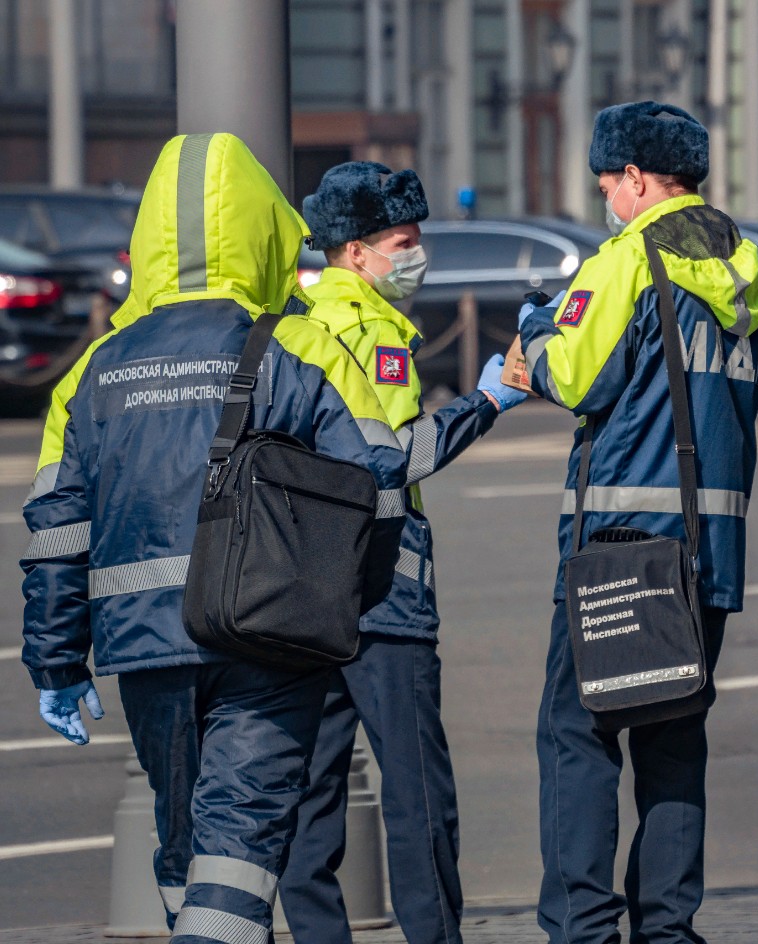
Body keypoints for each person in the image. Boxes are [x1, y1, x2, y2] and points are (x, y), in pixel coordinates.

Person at [18, 132, 408, 943]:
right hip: (270, 641)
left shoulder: (95, 366)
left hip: (146, 652)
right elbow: (381, 489)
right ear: (266, 234)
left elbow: (57, 529)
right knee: (238, 852)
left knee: (188, 850)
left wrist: (57, 660)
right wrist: (334, 606)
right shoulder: (299, 346)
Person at [516, 100, 758, 944]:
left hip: (622, 546)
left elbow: (577, 378)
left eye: (606, 183)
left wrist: (536, 324)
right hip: (710, 549)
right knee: (672, 739)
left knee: (577, 735)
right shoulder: (745, 265)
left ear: (635, 177)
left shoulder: (626, 260)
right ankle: (667, 929)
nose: (606, 200)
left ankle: (583, 928)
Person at [277, 161, 527, 944]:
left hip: (299, 597)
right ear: (354, 252)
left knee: (308, 799)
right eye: (403, 242)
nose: (415, 258)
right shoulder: (376, 330)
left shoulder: (285, 322)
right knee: (418, 796)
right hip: (384, 594)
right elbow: (400, 455)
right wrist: (487, 401)